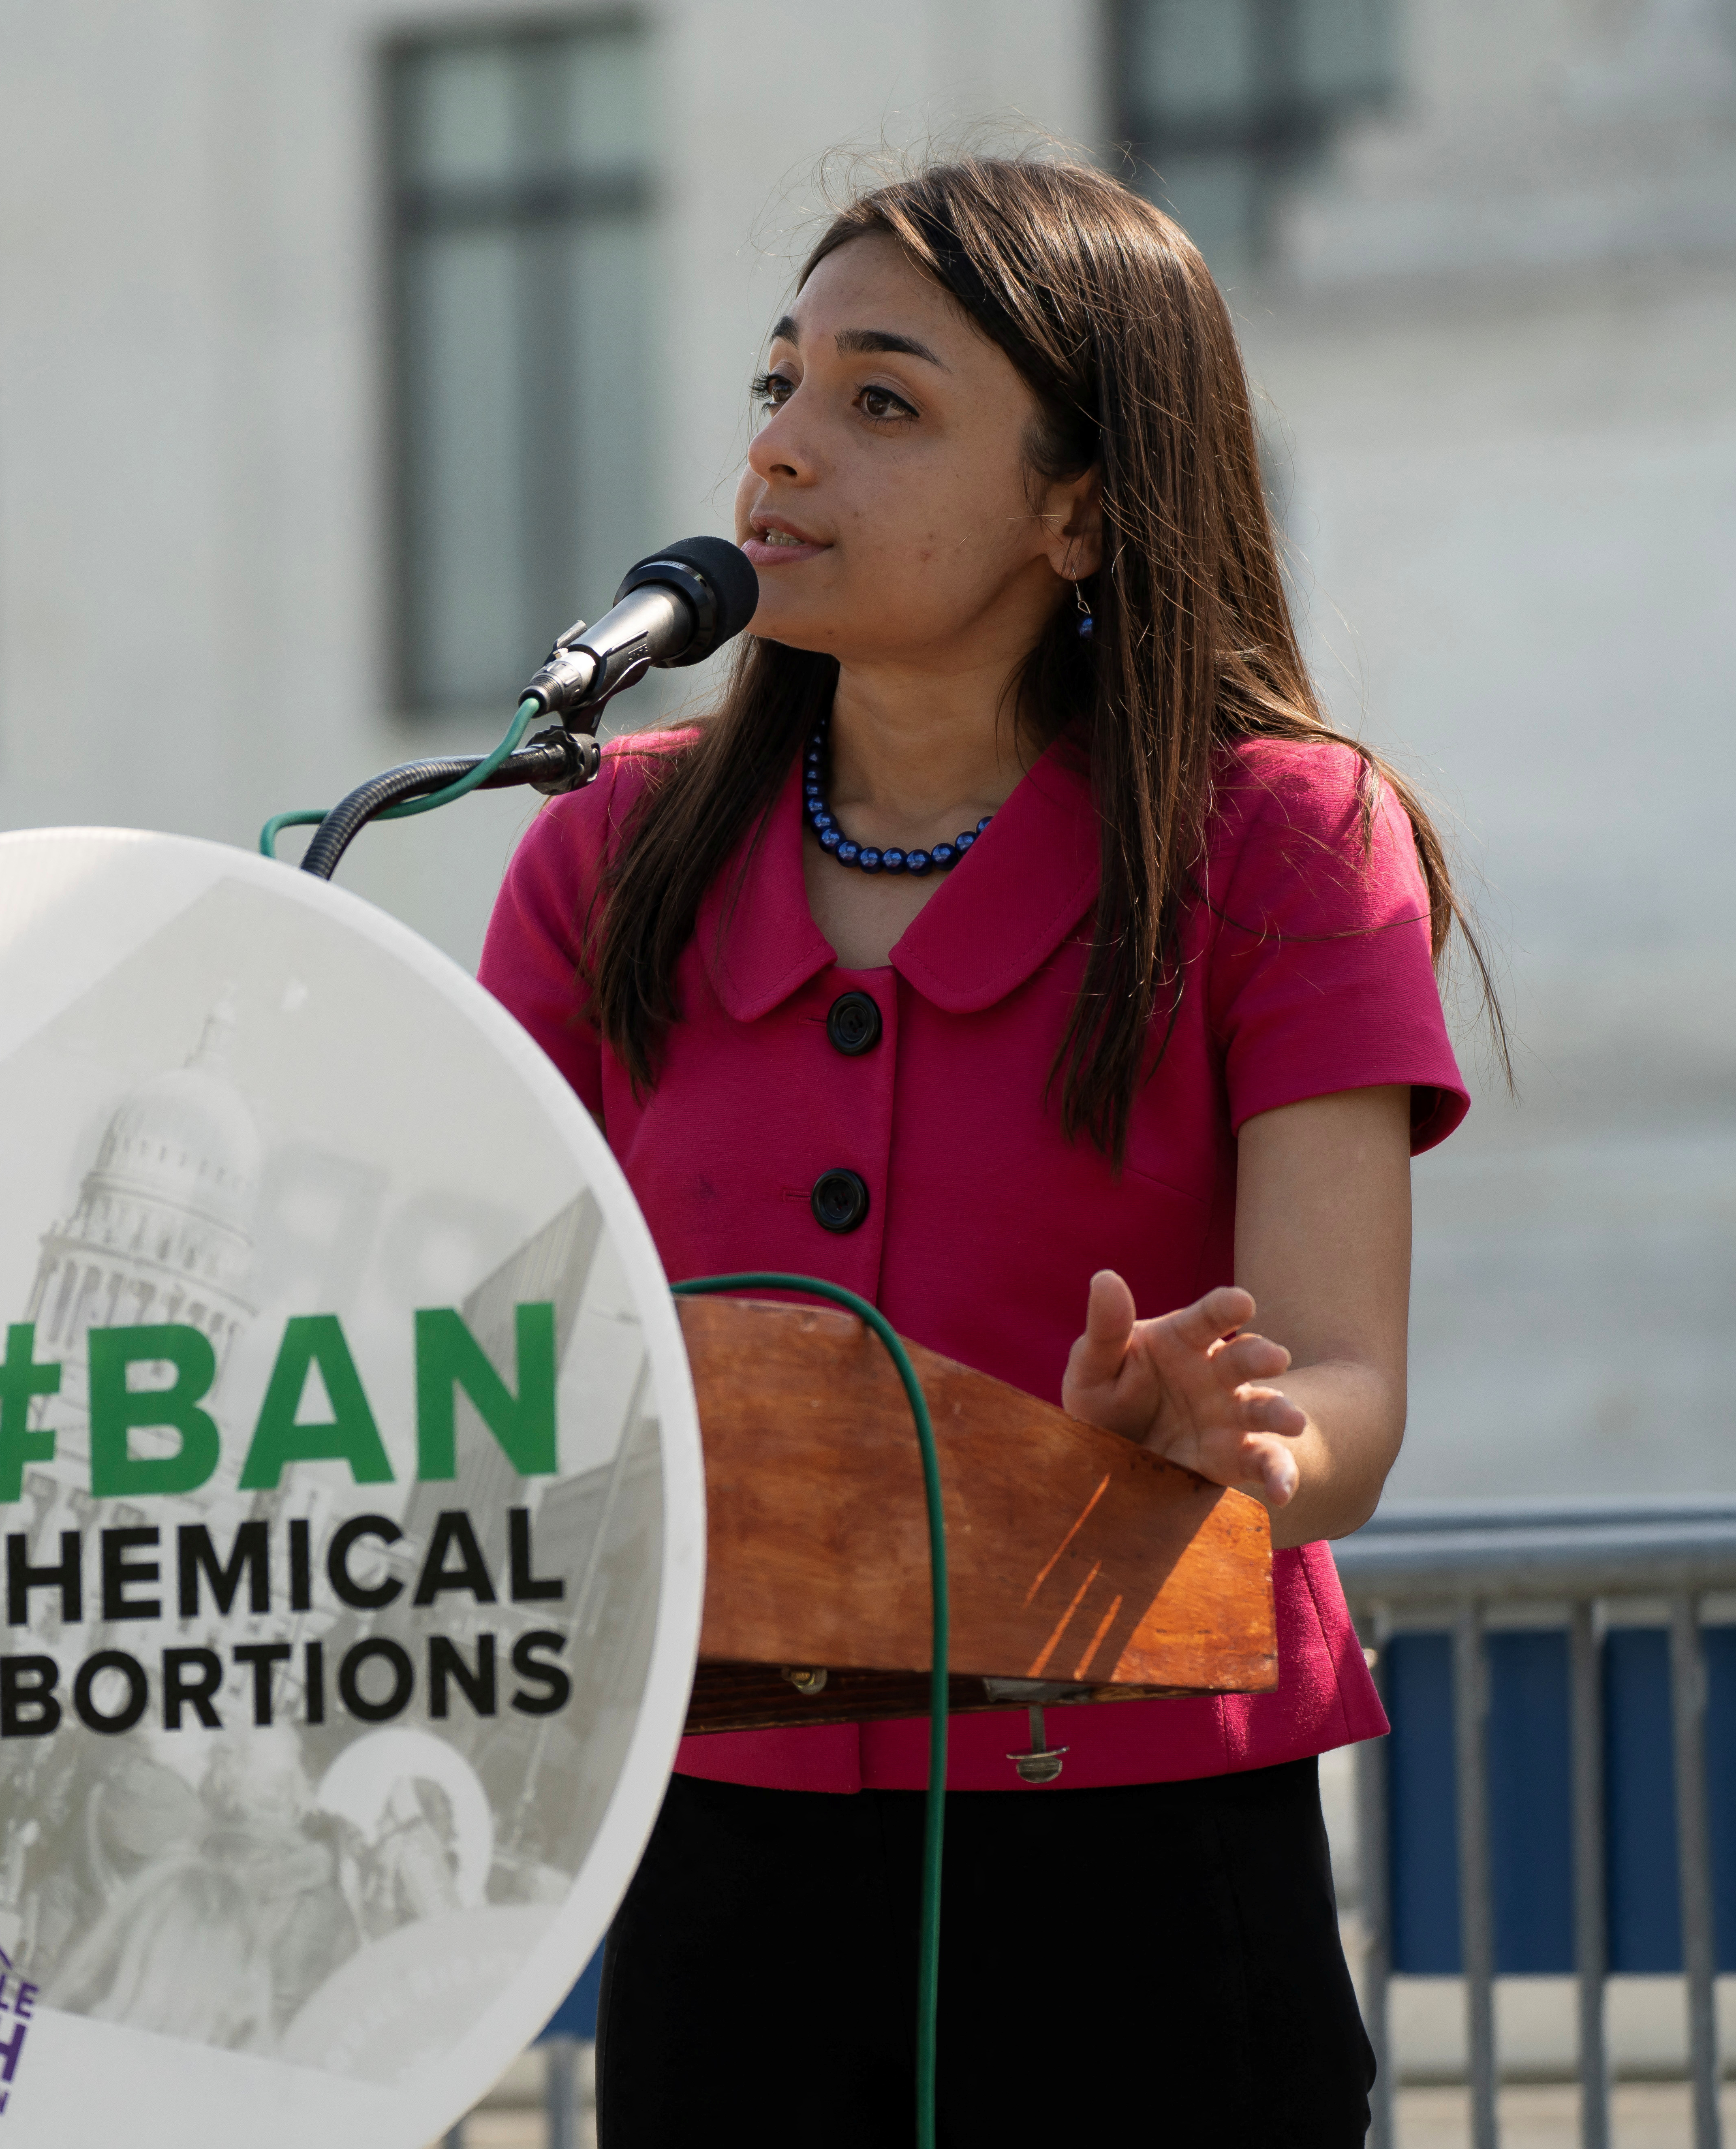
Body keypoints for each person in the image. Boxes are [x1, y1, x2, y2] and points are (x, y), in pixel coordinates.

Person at [479, 154, 1484, 2145]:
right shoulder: (604, 850)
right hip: (721, 1855)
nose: (782, 450)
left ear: (1080, 503)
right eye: (779, 384)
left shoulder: (1283, 836)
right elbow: (482, 1335)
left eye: (883, 401)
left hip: (1145, 1856)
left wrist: (1234, 1444)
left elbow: (1344, 1385)